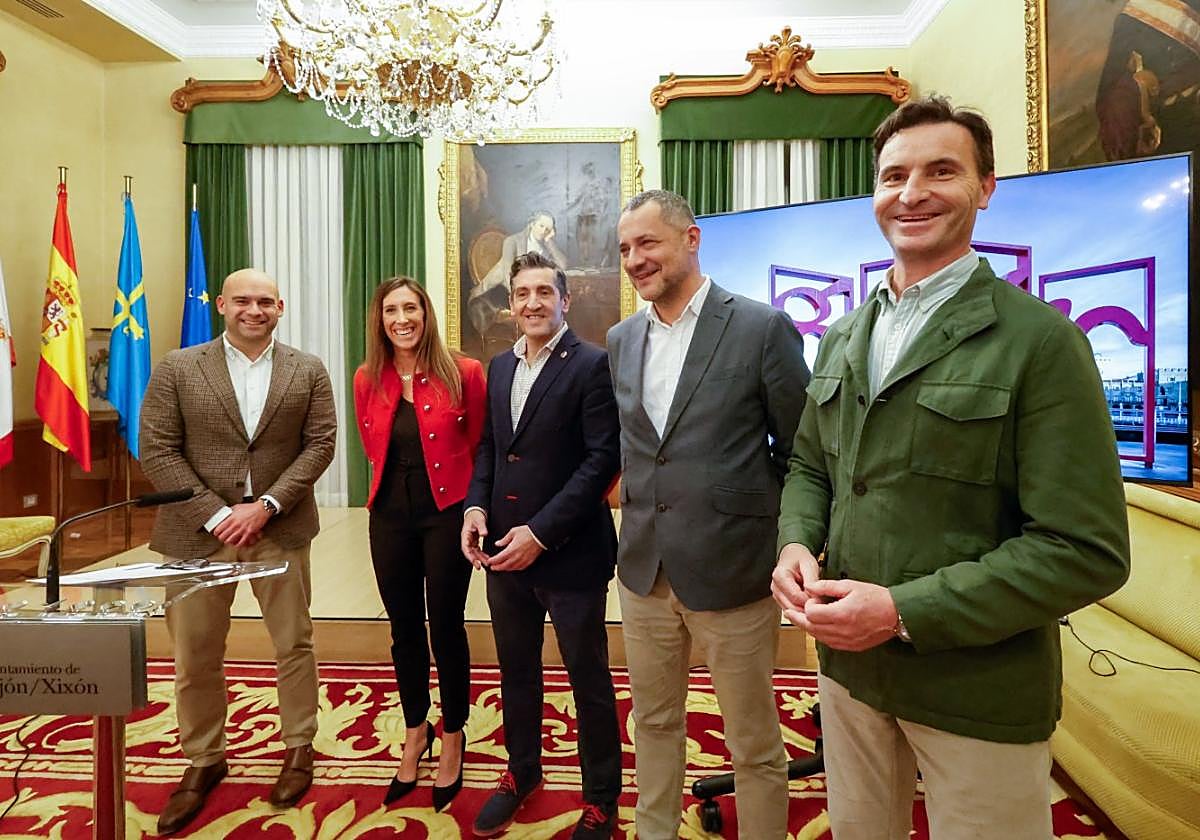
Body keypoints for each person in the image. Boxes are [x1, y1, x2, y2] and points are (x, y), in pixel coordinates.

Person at [772, 96, 1132, 840]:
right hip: (850, 678)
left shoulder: (1042, 343)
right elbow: (811, 465)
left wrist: (902, 613)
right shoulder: (842, 336)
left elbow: (1085, 550)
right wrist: (795, 545)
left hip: (979, 690)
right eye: (894, 175)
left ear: (986, 187)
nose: (911, 194)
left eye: (942, 171)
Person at [607, 189, 810, 840]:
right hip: (644, 571)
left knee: (752, 742)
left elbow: (801, 449)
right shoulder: (619, 339)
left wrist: (763, 525)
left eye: (648, 243)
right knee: (654, 724)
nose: (635, 260)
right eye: (625, 249)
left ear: (691, 239)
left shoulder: (759, 327)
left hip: (733, 571)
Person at [140, 268, 337, 835]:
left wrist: (267, 505)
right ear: (222, 304)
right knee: (195, 650)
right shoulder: (180, 367)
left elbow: (321, 444)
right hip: (195, 531)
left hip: (279, 527)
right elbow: (157, 448)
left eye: (266, 302)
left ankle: (299, 746)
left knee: (294, 642)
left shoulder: (307, 369)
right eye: (243, 301)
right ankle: (204, 758)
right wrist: (217, 512)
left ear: (281, 307)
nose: (255, 310)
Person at [462, 251, 622, 839]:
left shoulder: (592, 365)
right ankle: (522, 771)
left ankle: (601, 796)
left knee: (588, 678)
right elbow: (488, 447)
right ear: (510, 304)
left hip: (571, 553)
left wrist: (541, 534)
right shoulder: (499, 366)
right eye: (522, 293)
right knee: (517, 672)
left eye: (544, 293)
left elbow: (601, 460)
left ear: (565, 300)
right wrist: (476, 507)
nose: (532, 303)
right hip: (503, 552)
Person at [353, 277, 487, 812]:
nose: (401, 318)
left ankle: (453, 732)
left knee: (447, 627)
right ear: (380, 319)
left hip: (447, 514)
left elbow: (480, 445)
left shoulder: (465, 372)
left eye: (411, 308)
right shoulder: (369, 377)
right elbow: (371, 446)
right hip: (389, 516)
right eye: (391, 310)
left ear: (426, 314)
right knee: (403, 629)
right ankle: (416, 729)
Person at [467, 211, 568, 340]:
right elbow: (509, 275)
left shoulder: (546, 245)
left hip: (529, 293)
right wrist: (524, 296)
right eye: (541, 226)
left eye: (548, 229)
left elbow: (563, 265)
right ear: (532, 224)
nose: (544, 231)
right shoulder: (513, 241)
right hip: (500, 291)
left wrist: (549, 242)